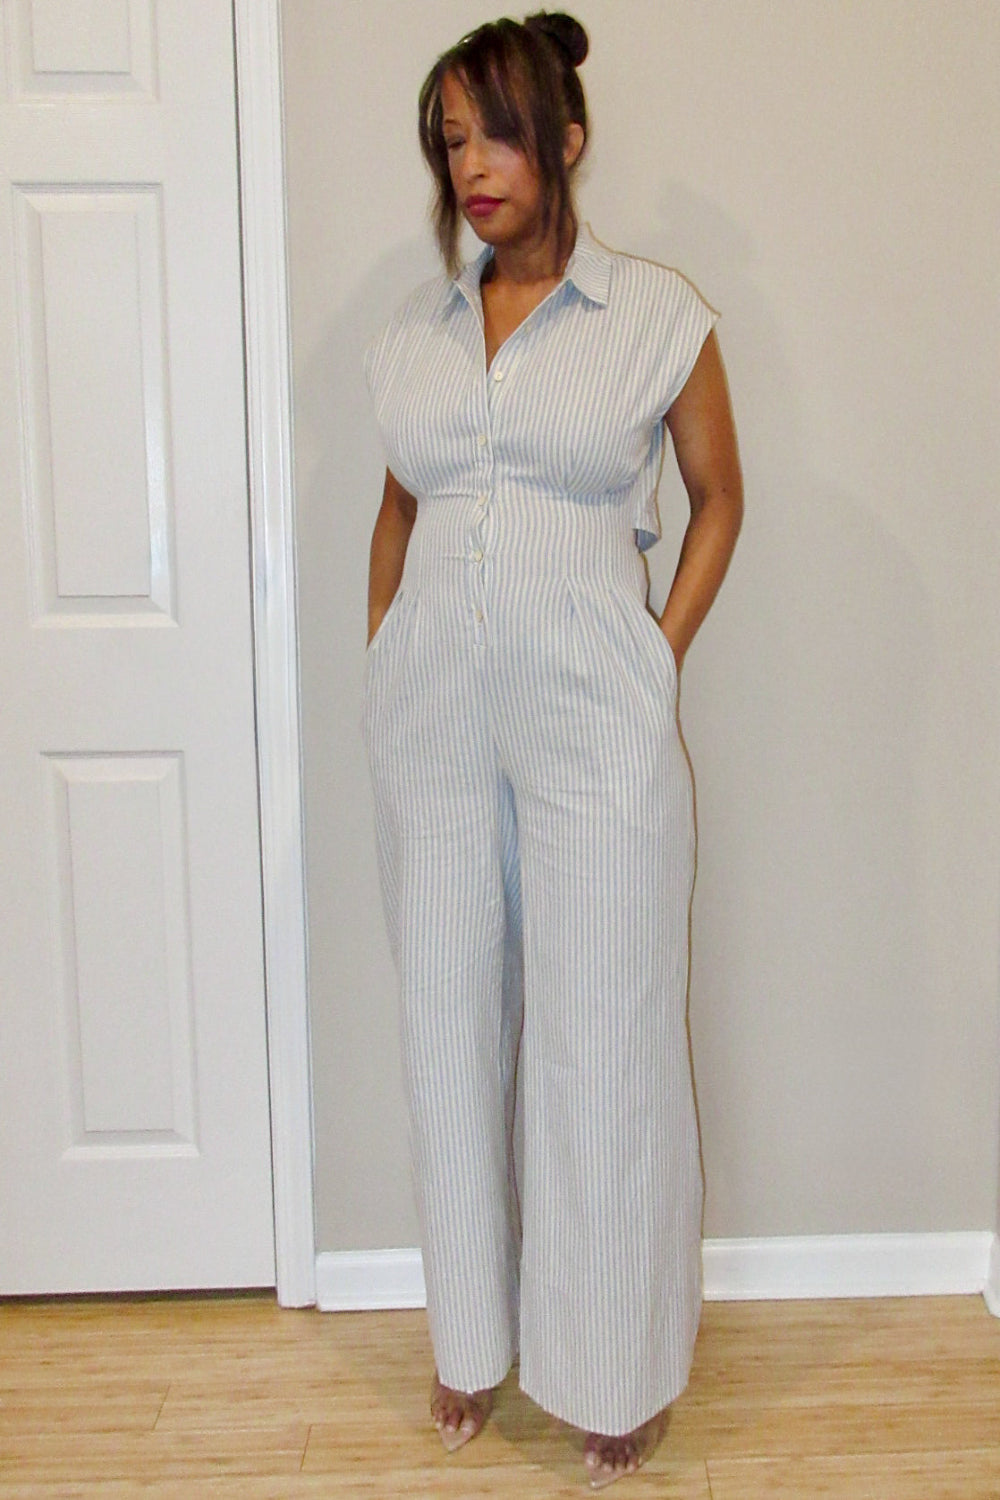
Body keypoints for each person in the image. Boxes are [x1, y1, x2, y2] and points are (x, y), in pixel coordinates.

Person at [363, 11, 742, 1489]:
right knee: (449, 1023)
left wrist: (656, 652)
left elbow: (718, 497)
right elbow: (400, 503)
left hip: (595, 716)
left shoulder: (656, 315)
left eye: (497, 132)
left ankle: (615, 1365)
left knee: (604, 1037)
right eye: (451, 140)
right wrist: (385, 645)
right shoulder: (417, 334)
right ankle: (470, 1336)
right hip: (436, 723)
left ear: (566, 140)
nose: (472, 165)